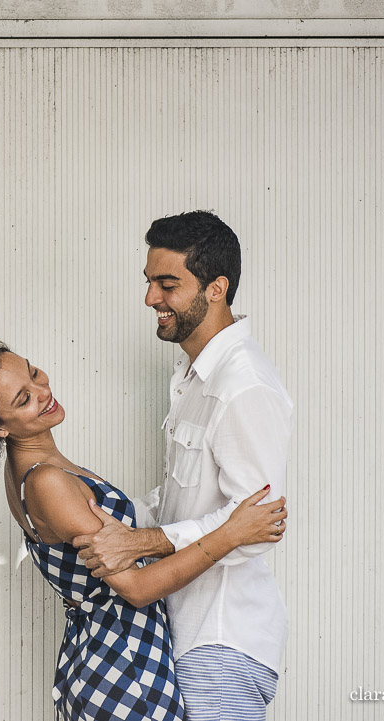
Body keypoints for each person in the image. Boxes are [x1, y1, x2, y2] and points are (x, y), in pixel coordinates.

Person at [0, 338, 287, 721]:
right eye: (24, 399)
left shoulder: (32, 472)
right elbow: (136, 589)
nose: (44, 392)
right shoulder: (47, 482)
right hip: (125, 671)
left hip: (105, 661)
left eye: (34, 372)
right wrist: (230, 533)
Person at [73, 211, 293, 721]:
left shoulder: (244, 386)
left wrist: (143, 542)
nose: (151, 298)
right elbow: (180, 502)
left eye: (167, 284)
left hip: (221, 643)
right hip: (182, 634)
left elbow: (258, 526)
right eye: (150, 282)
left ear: (217, 288)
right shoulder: (191, 376)